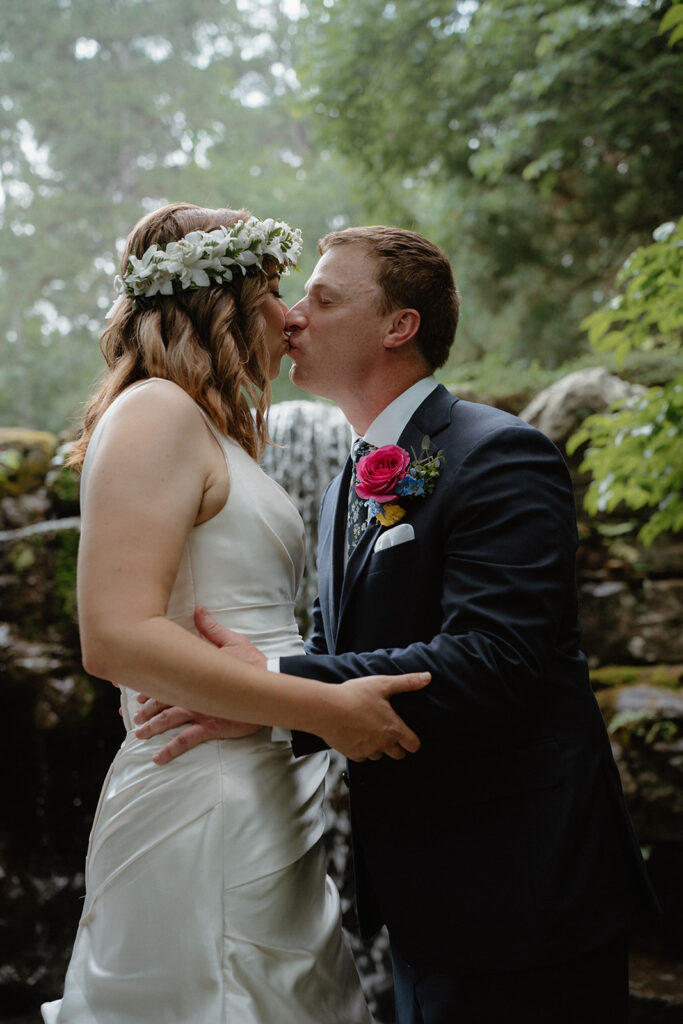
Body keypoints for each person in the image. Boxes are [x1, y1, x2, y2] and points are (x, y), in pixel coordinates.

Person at [137, 225, 660, 1024]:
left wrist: (269, 685)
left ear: (398, 325)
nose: (291, 318)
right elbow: (351, 646)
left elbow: (493, 658)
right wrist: (269, 695)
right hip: (419, 899)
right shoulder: (345, 483)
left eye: (321, 297)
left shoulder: (500, 453)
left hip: (521, 888)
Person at [41, 205, 432, 1024]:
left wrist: (296, 705)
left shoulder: (214, 431)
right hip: (203, 791)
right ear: (222, 300)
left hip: (263, 782)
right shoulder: (154, 412)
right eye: (273, 292)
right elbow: (115, 636)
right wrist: (325, 709)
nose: (289, 316)